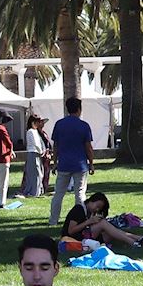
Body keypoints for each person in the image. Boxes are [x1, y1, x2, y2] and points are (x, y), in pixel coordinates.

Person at [48, 97, 94, 226]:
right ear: (79, 109)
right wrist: (91, 163)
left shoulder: (59, 124)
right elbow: (88, 147)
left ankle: (53, 220)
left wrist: (55, 162)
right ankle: (80, 220)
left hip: (64, 164)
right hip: (80, 165)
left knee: (58, 194)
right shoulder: (84, 126)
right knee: (80, 194)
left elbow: (56, 145)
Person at [61, 191, 143, 249]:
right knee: (103, 223)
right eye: (97, 206)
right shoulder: (79, 209)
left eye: (99, 209)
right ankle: (133, 243)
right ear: (91, 200)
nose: (97, 209)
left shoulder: (90, 212)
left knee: (111, 232)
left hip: (85, 236)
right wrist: (89, 222)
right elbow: (70, 231)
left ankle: (139, 238)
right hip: (72, 239)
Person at [19, 115, 46, 198]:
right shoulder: (30, 131)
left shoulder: (35, 131)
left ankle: (38, 190)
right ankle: (33, 192)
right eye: (37, 122)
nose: (38, 124)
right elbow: (35, 143)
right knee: (34, 173)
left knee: (39, 172)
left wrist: (43, 150)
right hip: (33, 153)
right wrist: (40, 151)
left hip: (37, 153)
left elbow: (41, 142)